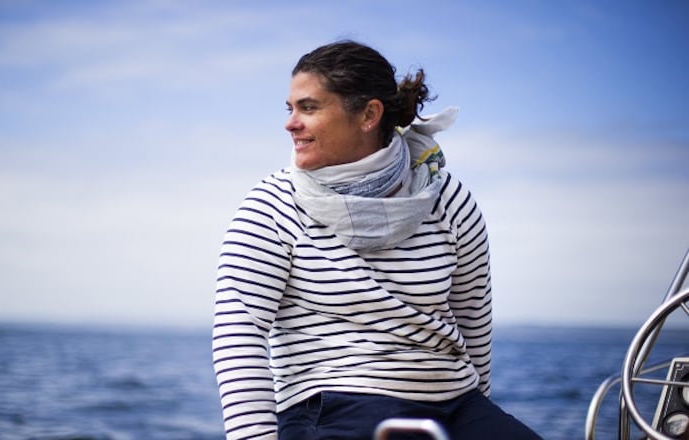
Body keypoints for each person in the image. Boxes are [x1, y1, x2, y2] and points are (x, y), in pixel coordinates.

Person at [212, 40, 541, 440]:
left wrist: (480, 419)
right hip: (331, 405)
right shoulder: (273, 205)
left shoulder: (448, 199)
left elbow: (474, 327)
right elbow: (238, 336)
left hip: (457, 403)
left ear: (369, 115)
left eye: (309, 107)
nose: (290, 123)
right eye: (291, 108)